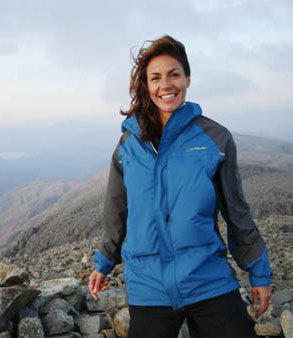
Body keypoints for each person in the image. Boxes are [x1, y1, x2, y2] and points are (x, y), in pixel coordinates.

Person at [88, 35, 272, 338]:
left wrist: (259, 272)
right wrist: (105, 261)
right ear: (147, 85)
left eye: (174, 74)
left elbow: (237, 211)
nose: (166, 85)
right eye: (156, 77)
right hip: (149, 287)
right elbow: (117, 209)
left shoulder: (215, 138)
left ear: (187, 78)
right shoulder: (128, 146)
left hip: (208, 279)